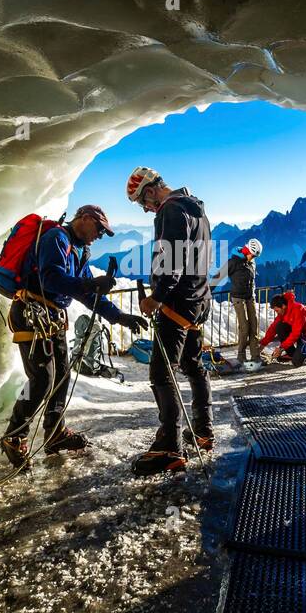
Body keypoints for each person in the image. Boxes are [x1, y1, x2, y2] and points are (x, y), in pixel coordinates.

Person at [0, 204, 147, 467]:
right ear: (85, 218)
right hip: (31, 314)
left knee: (62, 375)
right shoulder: (56, 238)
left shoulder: (79, 250)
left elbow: (87, 293)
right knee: (42, 378)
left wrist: (119, 317)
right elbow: (51, 279)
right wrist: (89, 284)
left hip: (50, 318)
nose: (99, 235)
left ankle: (55, 433)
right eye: (99, 229)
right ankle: (14, 436)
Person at [126, 167, 214, 475]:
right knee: (193, 366)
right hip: (198, 302)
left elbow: (170, 261)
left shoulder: (170, 210)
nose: (146, 209)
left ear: (150, 192)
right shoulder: (197, 210)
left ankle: (169, 446)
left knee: (162, 373)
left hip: (176, 304)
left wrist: (156, 297)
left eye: (142, 203)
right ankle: (203, 431)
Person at [217, 238, 263, 365]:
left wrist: (252, 293)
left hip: (250, 297)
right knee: (244, 327)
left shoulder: (252, 262)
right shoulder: (233, 262)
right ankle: (241, 356)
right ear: (247, 250)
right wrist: (207, 292)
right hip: (238, 298)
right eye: (252, 255)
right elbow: (218, 276)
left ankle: (256, 356)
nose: (252, 258)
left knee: (254, 326)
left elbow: (252, 280)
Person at [260, 290, 306, 366]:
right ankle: (292, 354)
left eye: (277, 310)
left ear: (283, 306)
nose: (277, 313)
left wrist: (281, 348)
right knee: (279, 326)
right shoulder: (282, 312)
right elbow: (273, 328)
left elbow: (295, 333)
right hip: (299, 335)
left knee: (296, 362)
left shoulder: (299, 309)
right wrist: (262, 345)